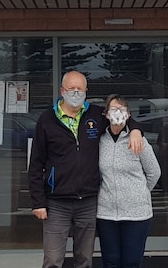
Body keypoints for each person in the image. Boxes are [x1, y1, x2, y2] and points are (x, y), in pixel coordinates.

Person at [29, 71, 143, 268]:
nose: (75, 92)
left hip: (88, 202)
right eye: (71, 89)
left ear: (86, 91)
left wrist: (135, 129)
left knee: (84, 260)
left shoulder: (96, 115)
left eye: (80, 89)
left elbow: (120, 115)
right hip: (57, 203)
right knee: (53, 260)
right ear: (62, 91)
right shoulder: (47, 119)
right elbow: (36, 163)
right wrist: (38, 202)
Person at [96, 94, 161, 268]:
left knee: (131, 262)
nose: (117, 113)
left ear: (129, 115)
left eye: (122, 110)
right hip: (106, 213)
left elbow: (154, 172)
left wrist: (139, 192)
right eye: (113, 109)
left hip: (136, 214)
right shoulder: (100, 141)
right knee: (110, 261)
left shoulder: (139, 141)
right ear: (106, 114)